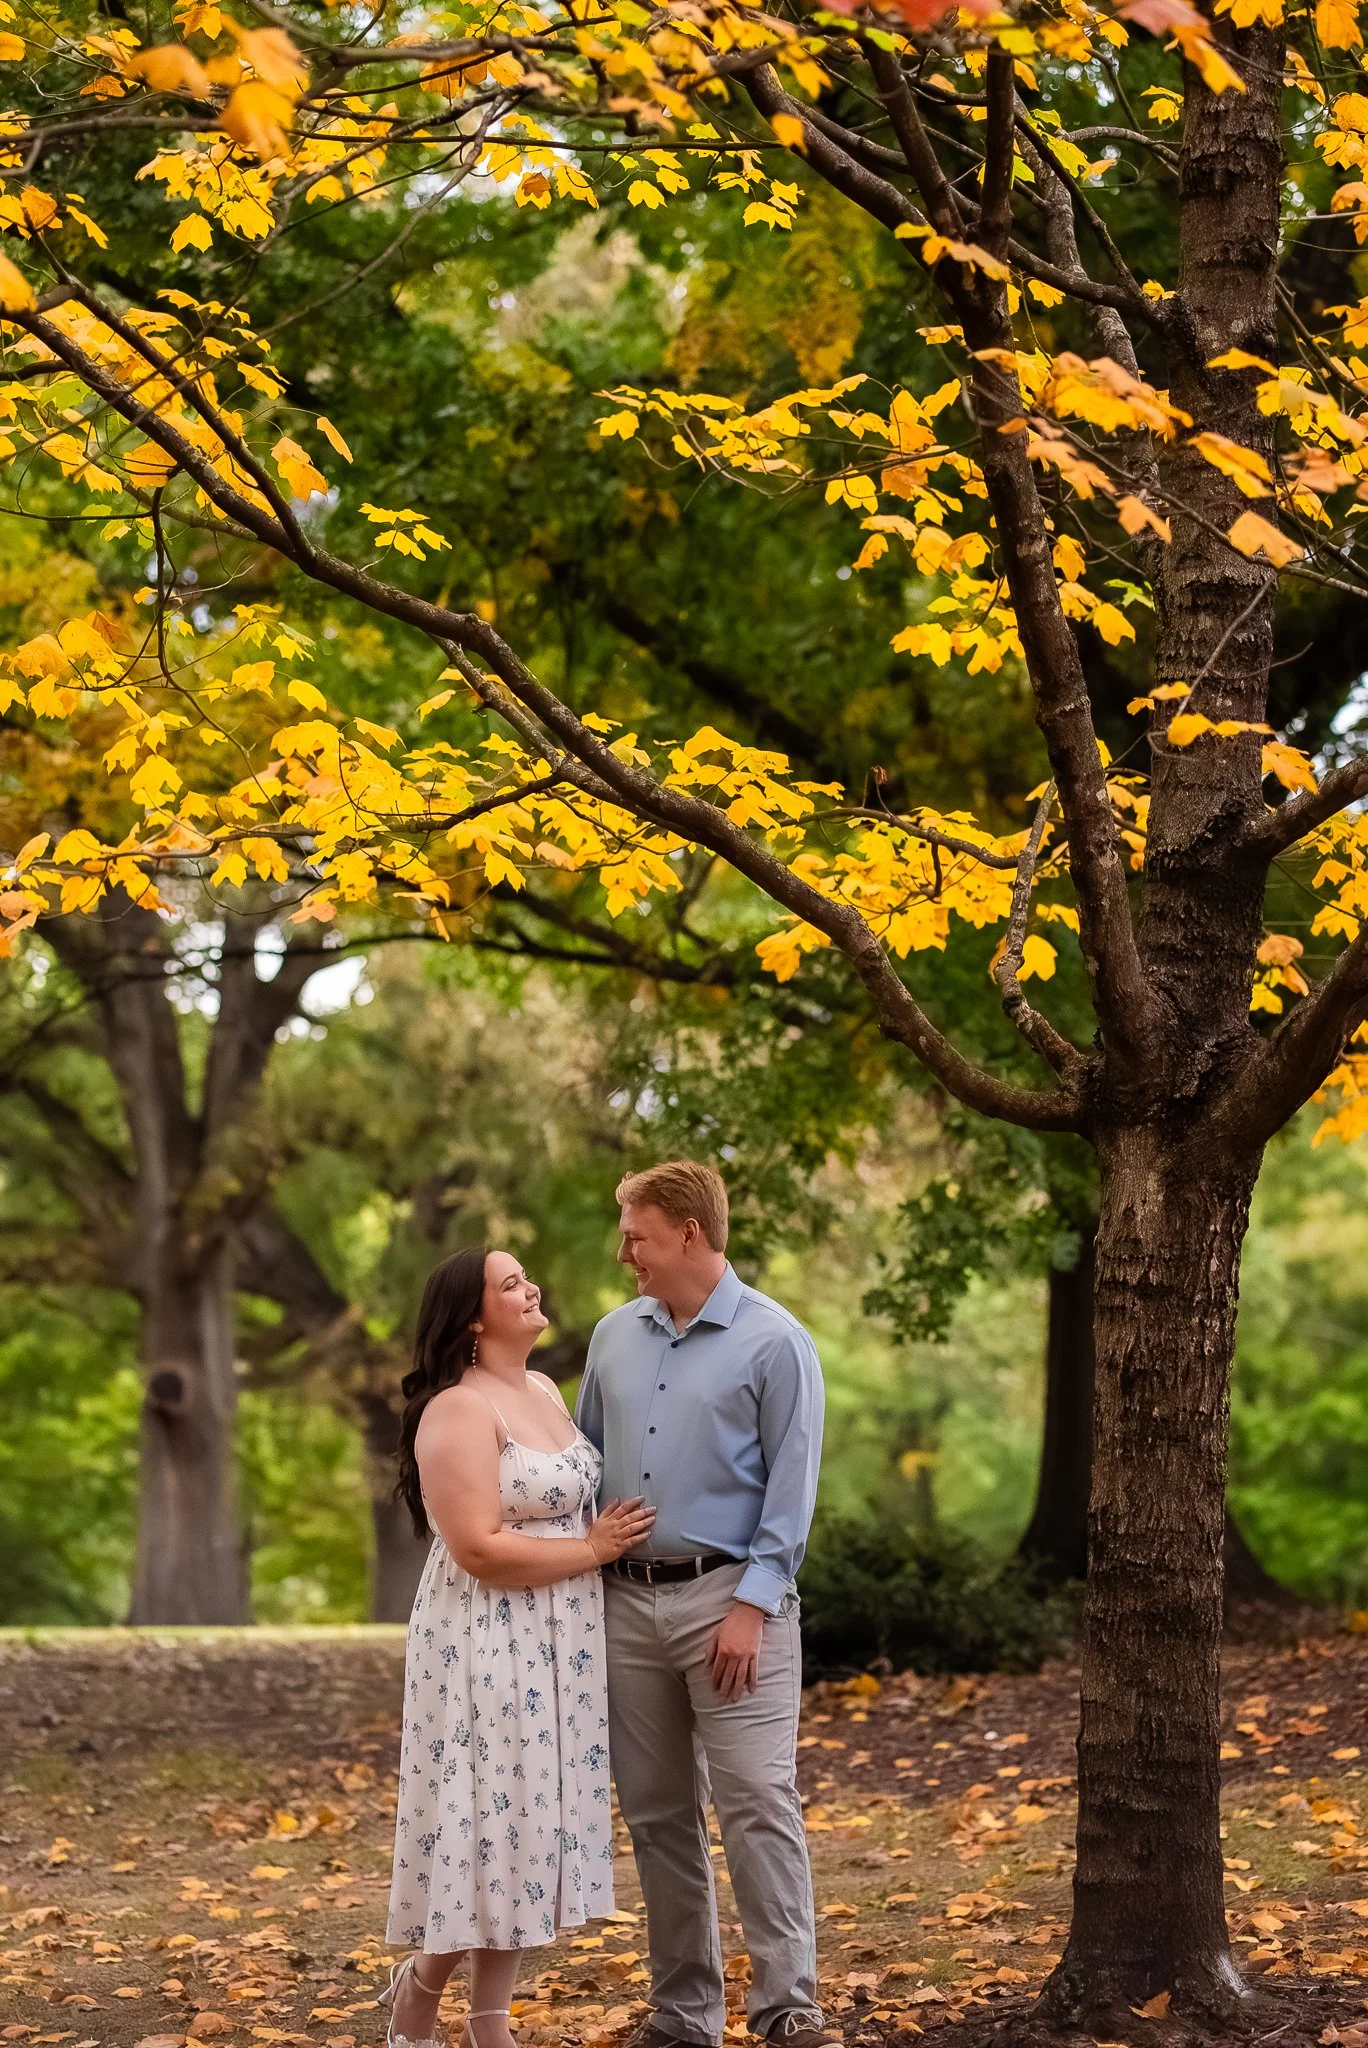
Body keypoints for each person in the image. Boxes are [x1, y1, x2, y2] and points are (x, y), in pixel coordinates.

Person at [575, 1162, 837, 2048]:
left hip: (733, 1603)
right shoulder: (612, 1337)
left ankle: (787, 2005)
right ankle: (684, 2016)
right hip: (627, 1609)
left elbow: (792, 1490)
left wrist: (753, 1603)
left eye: (636, 1235)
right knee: (655, 1815)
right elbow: (584, 1462)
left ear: (688, 1233)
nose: (625, 1254)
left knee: (758, 1798)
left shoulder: (775, 1342)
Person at [382, 1247, 656, 2048]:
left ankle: (489, 2024)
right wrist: (598, 1551)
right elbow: (477, 1548)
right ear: (474, 1317)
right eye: (511, 1284)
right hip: (486, 1643)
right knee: (485, 1826)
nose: (532, 1287)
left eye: (527, 1275)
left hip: (560, 1643)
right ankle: (422, 1992)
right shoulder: (459, 1411)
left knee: (529, 1827)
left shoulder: (539, 1388)